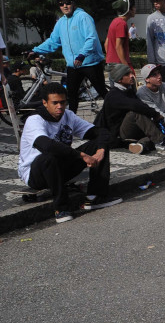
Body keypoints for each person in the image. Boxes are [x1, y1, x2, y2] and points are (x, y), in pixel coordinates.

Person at [17, 82, 122, 223]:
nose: (59, 107)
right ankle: (61, 208)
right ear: (45, 103)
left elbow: (100, 132)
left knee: (96, 144)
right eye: (55, 103)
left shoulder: (68, 115)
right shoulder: (35, 120)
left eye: (62, 102)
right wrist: (81, 155)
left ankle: (96, 196)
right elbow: (46, 145)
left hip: (60, 169)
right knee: (49, 157)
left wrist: (101, 150)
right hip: (36, 173)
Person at [30, 0, 108, 113]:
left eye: (68, 2)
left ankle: (117, 116)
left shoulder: (83, 17)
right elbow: (53, 41)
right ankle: (72, 122)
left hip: (90, 63)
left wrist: (82, 55)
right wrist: (35, 51)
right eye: (61, 4)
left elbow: (91, 38)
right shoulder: (61, 22)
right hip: (73, 65)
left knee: (102, 92)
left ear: (73, 3)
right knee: (71, 96)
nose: (65, 6)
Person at [99, 64, 165, 154]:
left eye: (131, 73)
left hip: (135, 128)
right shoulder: (114, 95)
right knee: (134, 113)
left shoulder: (128, 90)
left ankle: (142, 144)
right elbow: (136, 106)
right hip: (120, 133)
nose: (132, 76)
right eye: (127, 74)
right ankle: (160, 142)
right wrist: (156, 114)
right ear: (119, 79)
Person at [106, 0, 135, 70]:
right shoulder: (122, 24)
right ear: (129, 9)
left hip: (112, 63)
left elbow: (106, 44)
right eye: (134, 7)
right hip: (120, 65)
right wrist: (126, 67)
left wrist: (111, 57)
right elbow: (118, 46)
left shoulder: (114, 21)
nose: (135, 9)